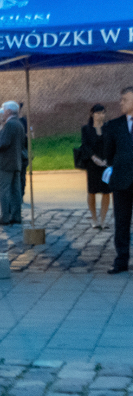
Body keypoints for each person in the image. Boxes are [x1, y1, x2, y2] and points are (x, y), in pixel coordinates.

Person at [103, 86, 133, 274]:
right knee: (121, 222)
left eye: (125, 100)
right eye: (121, 99)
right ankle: (121, 260)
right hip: (122, 182)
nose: (121, 103)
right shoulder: (114, 125)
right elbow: (109, 153)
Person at [0, 101, 26, 226]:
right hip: (16, 162)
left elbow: (3, 143)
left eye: (4, 110)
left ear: (8, 111)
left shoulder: (10, 124)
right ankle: (16, 215)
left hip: (5, 163)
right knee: (15, 190)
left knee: (4, 190)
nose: (3, 112)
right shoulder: (19, 123)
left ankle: (4, 216)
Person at [81, 104, 110, 229]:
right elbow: (85, 146)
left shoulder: (108, 128)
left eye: (102, 113)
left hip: (105, 164)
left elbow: (111, 144)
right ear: (92, 114)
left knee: (106, 191)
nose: (100, 116)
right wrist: (94, 158)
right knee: (92, 191)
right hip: (92, 164)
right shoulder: (86, 129)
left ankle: (103, 220)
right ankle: (94, 219)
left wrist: (106, 160)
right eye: (98, 113)